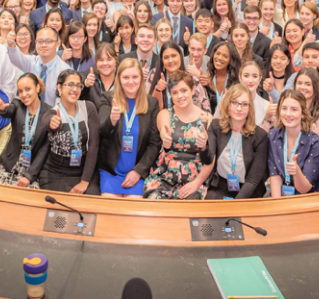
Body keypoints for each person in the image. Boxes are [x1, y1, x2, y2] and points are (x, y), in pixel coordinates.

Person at [144, 71, 214, 199]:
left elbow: (211, 159)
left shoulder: (208, 119)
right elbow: (165, 132)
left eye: (184, 90)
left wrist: (197, 183)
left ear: (193, 90)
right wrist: (166, 139)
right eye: (175, 92)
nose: (180, 96)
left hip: (194, 178)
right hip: (166, 175)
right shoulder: (165, 114)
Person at [98, 59, 162, 198]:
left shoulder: (151, 104)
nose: (131, 81)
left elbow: (154, 144)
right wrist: (112, 120)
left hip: (136, 173)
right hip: (110, 172)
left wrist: (138, 171)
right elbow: (102, 131)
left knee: (134, 209)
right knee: (109, 208)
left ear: (141, 78)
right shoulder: (108, 99)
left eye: (135, 77)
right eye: (126, 77)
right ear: (119, 79)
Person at [32, 69, 100, 194]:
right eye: (70, 85)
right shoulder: (53, 113)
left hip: (84, 172)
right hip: (55, 174)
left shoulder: (88, 108)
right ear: (59, 87)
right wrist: (51, 122)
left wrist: (84, 181)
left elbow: (94, 145)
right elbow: (46, 120)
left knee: (90, 204)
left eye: (78, 85)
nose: (74, 89)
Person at [205, 84, 269, 199]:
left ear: (250, 108)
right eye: (234, 103)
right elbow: (207, 159)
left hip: (249, 191)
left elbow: (253, 180)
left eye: (244, 104)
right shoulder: (216, 127)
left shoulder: (260, 136)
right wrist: (202, 147)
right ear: (227, 105)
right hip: (220, 187)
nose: (239, 108)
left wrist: (235, 204)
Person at [0, 74, 50, 187]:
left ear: (37, 88)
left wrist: (29, 176)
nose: (24, 94)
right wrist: (2, 108)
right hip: (9, 165)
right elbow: (8, 111)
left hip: (32, 172)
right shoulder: (17, 105)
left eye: (28, 89)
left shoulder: (48, 113)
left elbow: (44, 150)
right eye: (20, 91)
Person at [268, 90, 319, 196]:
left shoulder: (315, 143)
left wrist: (297, 172)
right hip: (282, 198)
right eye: (284, 108)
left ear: (303, 114)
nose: (288, 114)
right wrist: (277, 206)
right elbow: (275, 175)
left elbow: (305, 188)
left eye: (294, 109)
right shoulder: (273, 136)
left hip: (308, 199)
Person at [7, 26, 72, 106]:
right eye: (40, 41)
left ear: (57, 43)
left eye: (48, 41)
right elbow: (15, 58)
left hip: (52, 115)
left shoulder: (64, 71)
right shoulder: (31, 62)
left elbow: (63, 103)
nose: (43, 45)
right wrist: (11, 44)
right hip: (30, 113)